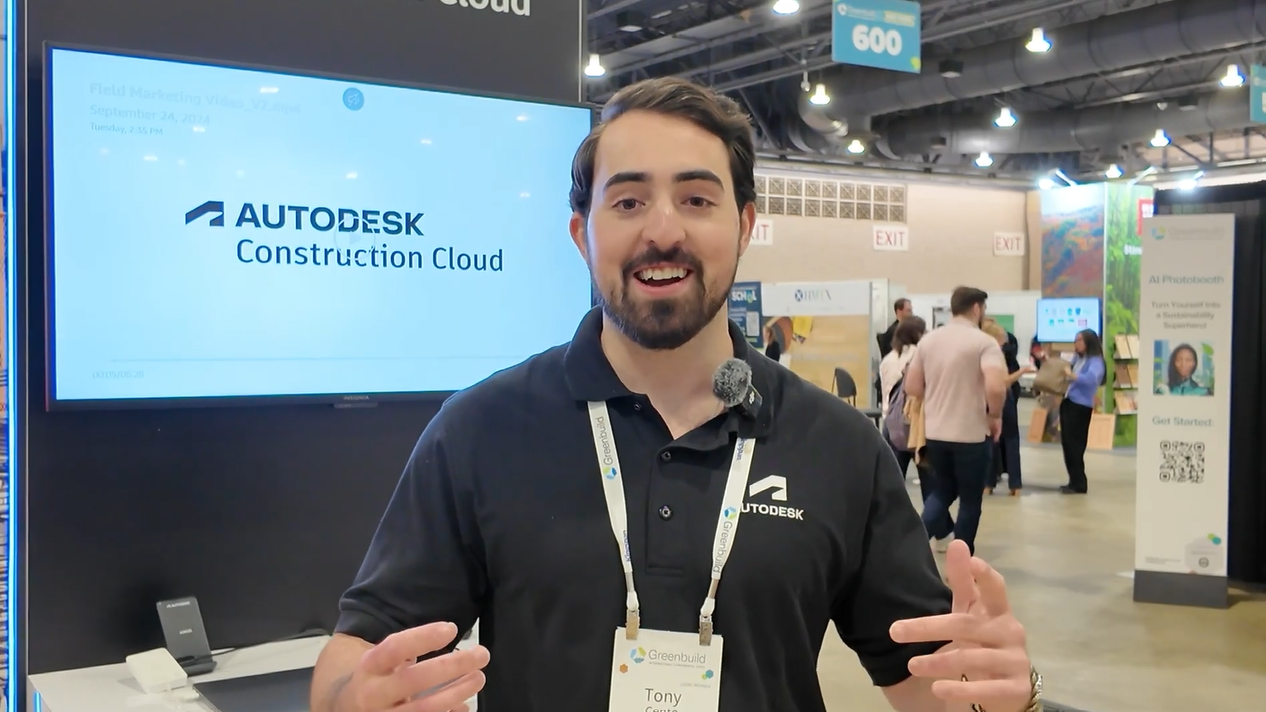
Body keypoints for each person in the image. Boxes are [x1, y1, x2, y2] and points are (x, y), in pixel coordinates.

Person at [311, 77, 1039, 712]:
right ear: (582, 235)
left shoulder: (838, 445)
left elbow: (936, 687)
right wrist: (351, 697)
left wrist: (1003, 693)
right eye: (628, 201)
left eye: (696, 198)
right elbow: (357, 653)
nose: (663, 231)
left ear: (744, 225)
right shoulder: (480, 430)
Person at [903, 287, 1008, 555]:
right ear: (976, 308)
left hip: (936, 433)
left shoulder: (929, 341)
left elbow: (912, 386)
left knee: (942, 492)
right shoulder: (984, 343)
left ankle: (911, 546)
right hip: (971, 434)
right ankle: (960, 563)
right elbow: (995, 387)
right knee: (970, 500)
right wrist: (995, 415)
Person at [879, 316, 953, 534]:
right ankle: (937, 530)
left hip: (892, 426)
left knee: (892, 483)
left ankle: (888, 529)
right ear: (919, 334)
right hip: (918, 427)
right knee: (931, 483)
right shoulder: (922, 357)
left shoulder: (888, 359)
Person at [981, 320, 1034, 496]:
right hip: (1003, 398)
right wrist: (1022, 372)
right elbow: (1004, 381)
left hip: (985, 398)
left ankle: (988, 483)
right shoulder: (996, 355)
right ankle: (1015, 483)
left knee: (989, 441)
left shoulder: (980, 354)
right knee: (1010, 440)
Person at [1059, 328, 1106, 494]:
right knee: (1067, 443)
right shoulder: (1078, 359)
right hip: (1069, 401)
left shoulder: (1096, 362)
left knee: (1075, 445)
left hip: (1080, 406)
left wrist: (1072, 375)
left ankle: (1079, 482)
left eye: (1079, 340)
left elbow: (1091, 380)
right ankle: (1072, 480)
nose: (1076, 343)